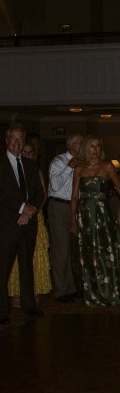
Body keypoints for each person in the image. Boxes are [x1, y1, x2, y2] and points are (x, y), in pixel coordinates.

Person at [70, 135, 120, 306]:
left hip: (102, 216)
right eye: (92, 146)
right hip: (84, 217)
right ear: (86, 149)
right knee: (88, 254)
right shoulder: (79, 169)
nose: (95, 150)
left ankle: (110, 290)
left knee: (106, 252)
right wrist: (73, 221)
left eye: (98, 146)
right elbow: (74, 197)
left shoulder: (107, 166)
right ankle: (92, 292)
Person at [0, 125, 45, 325]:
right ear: (6, 140)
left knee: (27, 266)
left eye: (20, 140)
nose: (17, 144)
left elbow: (39, 193)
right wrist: (22, 208)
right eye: (13, 140)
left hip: (28, 223)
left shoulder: (30, 165)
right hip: (8, 224)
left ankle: (29, 306)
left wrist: (30, 210)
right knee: (3, 268)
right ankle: (2, 311)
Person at [8, 141, 52, 306]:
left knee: (35, 257)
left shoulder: (35, 170)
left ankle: (34, 291)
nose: (26, 155)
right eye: (24, 152)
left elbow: (43, 195)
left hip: (35, 218)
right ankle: (16, 293)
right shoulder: (11, 170)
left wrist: (31, 212)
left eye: (30, 153)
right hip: (15, 218)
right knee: (15, 258)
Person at [48, 132, 84, 303]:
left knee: (72, 249)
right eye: (80, 143)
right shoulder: (59, 161)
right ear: (70, 145)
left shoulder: (82, 162)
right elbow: (55, 186)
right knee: (61, 248)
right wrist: (70, 167)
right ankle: (61, 291)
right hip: (59, 206)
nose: (82, 146)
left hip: (74, 206)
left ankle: (71, 287)